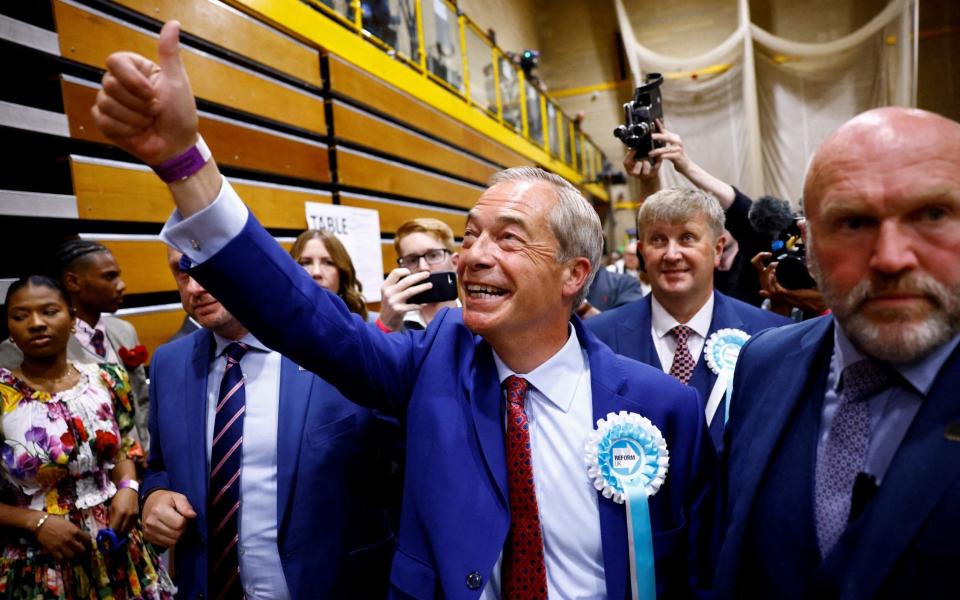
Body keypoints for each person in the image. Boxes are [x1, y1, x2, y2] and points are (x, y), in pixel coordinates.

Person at [92, 22, 716, 598]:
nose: (474, 256)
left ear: (574, 275)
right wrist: (183, 163)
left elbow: (697, 572)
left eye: (508, 236)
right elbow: (302, 314)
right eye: (470, 234)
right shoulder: (432, 362)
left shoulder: (663, 408)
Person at [713, 106, 960, 597]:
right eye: (852, 222)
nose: (891, 257)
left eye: (932, 214)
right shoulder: (762, 365)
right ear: (807, 246)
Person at [142, 248, 399, 598]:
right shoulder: (168, 363)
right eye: (182, 273)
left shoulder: (337, 350)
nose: (195, 288)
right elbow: (160, 465)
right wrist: (155, 494)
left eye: (206, 269)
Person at [0, 276, 174, 598]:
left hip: (119, 548)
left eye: (49, 311)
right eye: (20, 316)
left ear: (71, 317)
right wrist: (35, 523)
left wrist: (128, 487)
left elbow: (122, 447)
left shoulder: (107, 378)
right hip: (39, 561)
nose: (36, 324)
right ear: (9, 327)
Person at [587, 188, 788, 448]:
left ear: (717, 250)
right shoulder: (595, 339)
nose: (672, 254)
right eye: (658, 240)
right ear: (642, 252)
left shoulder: (771, 337)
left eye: (687, 238)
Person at [0, 240, 151, 450]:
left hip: (133, 464)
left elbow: (141, 400)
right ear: (73, 282)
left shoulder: (124, 331)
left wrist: (145, 449)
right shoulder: (20, 349)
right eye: (109, 276)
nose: (121, 284)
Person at [624, 123, 772, 306]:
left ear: (718, 248)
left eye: (724, 213)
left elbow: (751, 222)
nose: (672, 255)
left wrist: (686, 165)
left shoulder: (753, 262)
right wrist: (648, 181)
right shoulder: (689, 263)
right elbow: (652, 236)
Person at [378, 217, 459, 331]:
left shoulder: (477, 319)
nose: (423, 267)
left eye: (433, 255)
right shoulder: (394, 323)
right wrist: (385, 325)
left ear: (455, 263)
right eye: (412, 260)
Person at [290, 228, 372, 321]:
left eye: (328, 263)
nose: (316, 272)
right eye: (306, 263)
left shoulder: (370, 324)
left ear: (342, 274)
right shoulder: (276, 327)